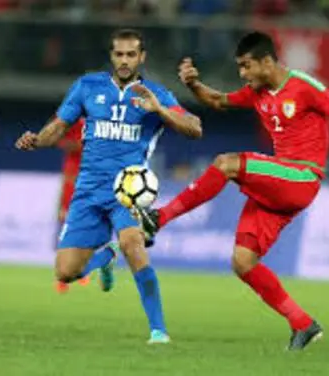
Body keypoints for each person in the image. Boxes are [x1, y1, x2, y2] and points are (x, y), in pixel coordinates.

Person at [135, 31, 329, 350]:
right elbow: (218, 101)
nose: (243, 74)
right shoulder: (257, 91)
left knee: (226, 163)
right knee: (243, 262)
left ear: (267, 61)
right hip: (279, 185)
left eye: (247, 66)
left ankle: (159, 219)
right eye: (240, 67)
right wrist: (193, 85)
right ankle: (302, 323)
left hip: (302, 177)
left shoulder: (306, 87)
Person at [15, 28, 202, 344]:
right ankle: (106, 257)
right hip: (87, 191)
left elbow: (195, 128)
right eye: (119, 54)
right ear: (112, 55)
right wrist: (37, 140)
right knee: (65, 272)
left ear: (141, 57)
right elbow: (59, 126)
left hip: (127, 190)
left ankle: (158, 331)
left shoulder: (154, 93)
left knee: (134, 245)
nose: (125, 60)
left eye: (132, 54)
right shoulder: (87, 87)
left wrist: (159, 110)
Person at [54, 118, 91, 293]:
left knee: (85, 232)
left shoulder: (93, 122)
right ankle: (63, 278)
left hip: (89, 177)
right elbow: (57, 135)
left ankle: (82, 270)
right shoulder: (71, 119)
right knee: (66, 232)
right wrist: (61, 205)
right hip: (73, 177)